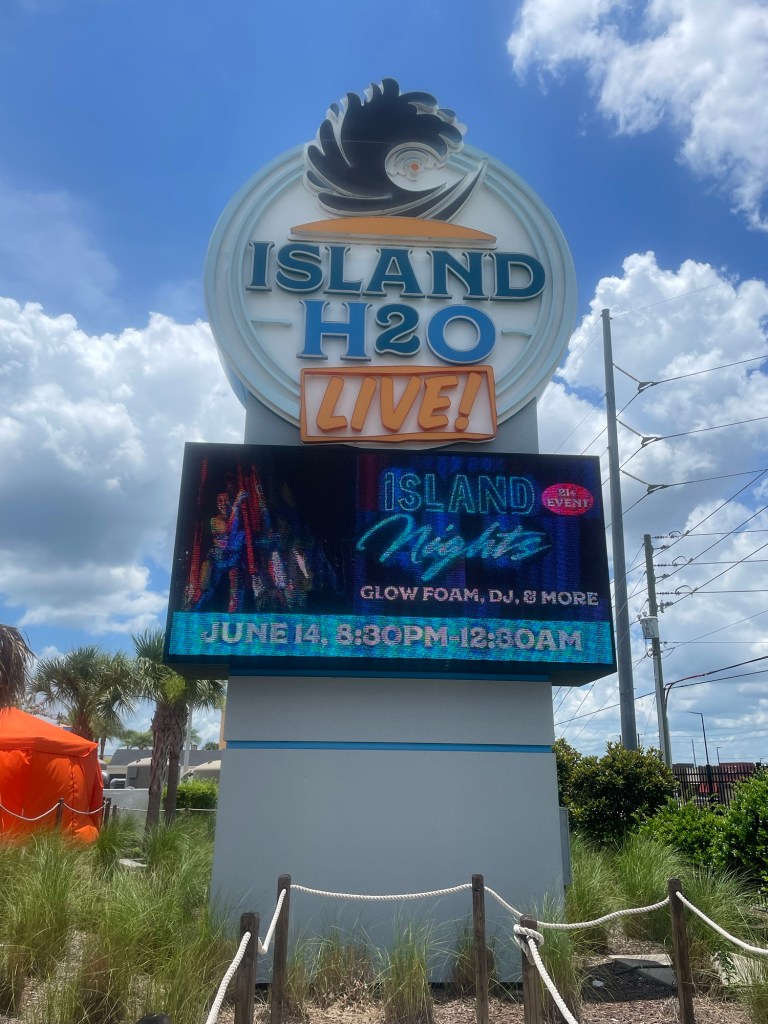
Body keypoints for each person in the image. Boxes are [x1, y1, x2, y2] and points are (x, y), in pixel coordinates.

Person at [194, 491, 249, 612]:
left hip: (234, 561)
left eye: (226, 500)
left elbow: (241, 540)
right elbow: (229, 531)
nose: (223, 503)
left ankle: (234, 618)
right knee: (203, 592)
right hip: (216, 560)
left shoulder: (243, 521)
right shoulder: (215, 521)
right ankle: (192, 612)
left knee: (237, 594)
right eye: (220, 501)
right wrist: (236, 504)